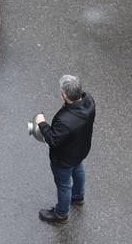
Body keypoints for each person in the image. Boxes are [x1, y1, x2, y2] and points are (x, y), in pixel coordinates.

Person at [35, 74, 95, 225]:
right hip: (80, 150)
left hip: (64, 158)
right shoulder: (89, 100)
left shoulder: (65, 120)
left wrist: (42, 123)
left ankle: (61, 214)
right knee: (78, 169)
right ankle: (78, 197)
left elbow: (53, 139)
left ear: (65, 95)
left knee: (63, 184)